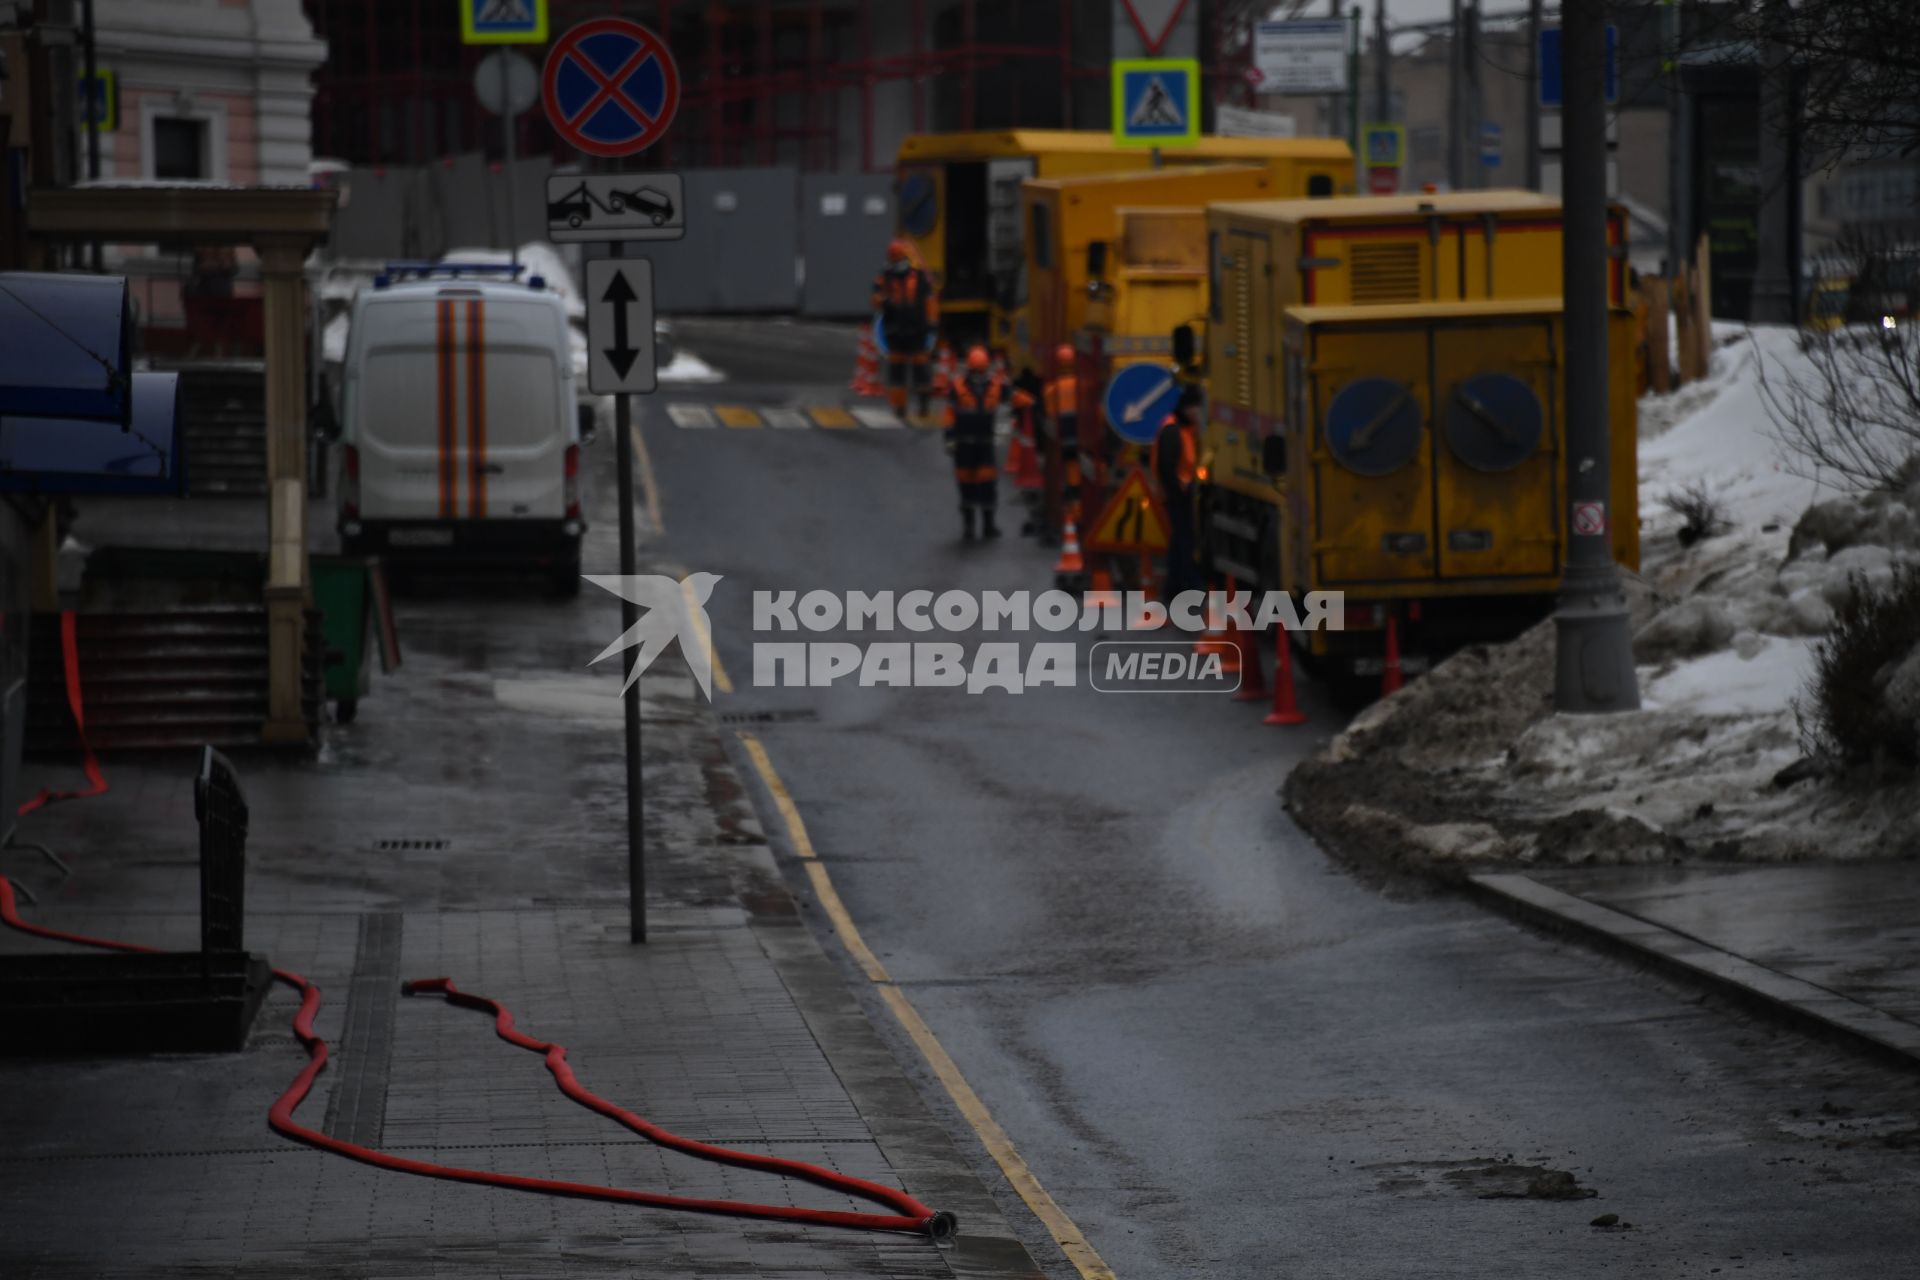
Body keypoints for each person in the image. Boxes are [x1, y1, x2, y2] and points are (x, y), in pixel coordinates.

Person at [944, 346, 1030, 541]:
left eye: (981, 371)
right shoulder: (958, 387)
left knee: (986, 486)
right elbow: (949, 415)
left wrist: (1031, 405)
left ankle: (987, 526)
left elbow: (1017, 398)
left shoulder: (996, 385)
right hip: (964, 446)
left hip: (982, 446)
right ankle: (971, 527)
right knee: (967, 487)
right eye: (977, 371)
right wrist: (949, 439)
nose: (979, 375)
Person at [871, 239, 939, 418]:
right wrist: (883, 300)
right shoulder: (883, 277)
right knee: (897, 375)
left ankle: (924, 405)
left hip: (917, 331)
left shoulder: (919, 277)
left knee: (922, 373)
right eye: (894, 259)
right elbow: (875, 300)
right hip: (895, 333)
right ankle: (900, 409)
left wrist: (932, 324)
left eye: (898, 259)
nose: (896, 263)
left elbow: (929, 301)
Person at [1152, 383, 1203, 598]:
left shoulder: (1188, 429)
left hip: (1185, 494)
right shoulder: (1173, 431)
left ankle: (1174, 588)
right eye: (1196, 408)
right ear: (1186, 408)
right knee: (1184, 541)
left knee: (1180, 541)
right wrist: (1178, 492)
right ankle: (1187, 587)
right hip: (1178, 495)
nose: (1199, 413)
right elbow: (1166, 465)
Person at [1041, 343, 1081, 535]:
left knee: (1069, 474)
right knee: (1079, 474)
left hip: (1064, 439)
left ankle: (1071, 513)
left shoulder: (1052, 389)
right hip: (1083, 440)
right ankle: (1080, 512)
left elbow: (1050, 417)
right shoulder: (1083, 386)